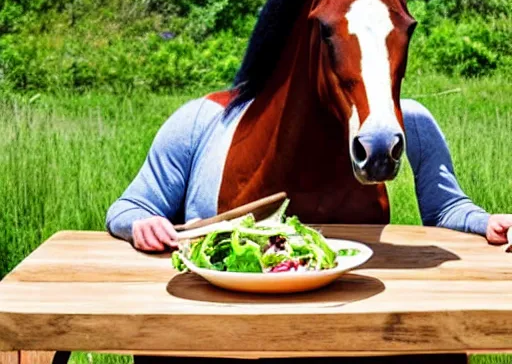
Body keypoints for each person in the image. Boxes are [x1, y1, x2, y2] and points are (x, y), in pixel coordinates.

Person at [106, 97, 512, 250]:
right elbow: (127, 208)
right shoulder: (199, 119)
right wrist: (142, 224)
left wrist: (487, 221)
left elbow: (445, 209)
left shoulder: (410, 124)